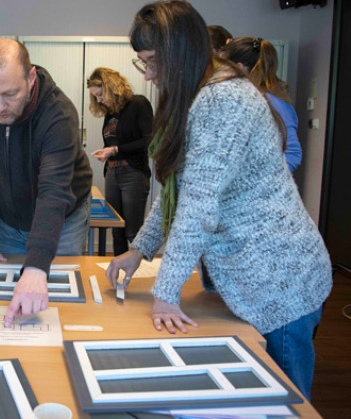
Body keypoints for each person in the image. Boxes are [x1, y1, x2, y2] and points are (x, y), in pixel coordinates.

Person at [106, 1, 331, 399]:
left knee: (284, 401)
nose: (151, 74)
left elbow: (197, 206)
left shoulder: (224, 99)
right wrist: (139, 249)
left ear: (183, 52)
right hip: (250, 277)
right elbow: (179, 189)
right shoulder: (197, 95)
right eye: (144, 63)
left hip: (279, 281)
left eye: (155, 61)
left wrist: (165, 292)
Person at [0, 38, 93, 327]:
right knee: (7, 305)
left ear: (30, 78)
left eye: (10, 94)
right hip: (7, 218)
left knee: (56, 308)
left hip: (62, 221)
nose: (0, 107)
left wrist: (37, 265)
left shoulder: (58, 113)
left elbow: (54, 193)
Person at [87, 68, 153, 256]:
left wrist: (115, 150)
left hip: (132, 173)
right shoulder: (111, 114)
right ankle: (118, 275)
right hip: (113, 174)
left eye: (100, 95)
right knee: (116, 229)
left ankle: (139, 274)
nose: (99, 100)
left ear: (111, 87)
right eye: (96, 97)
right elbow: (114, 143)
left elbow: (149, 140)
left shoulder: (138, 104)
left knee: (133, 231)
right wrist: (106, 153)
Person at [223, 37, 302, 172]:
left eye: (226, 67)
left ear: (239, 67)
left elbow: (293, 153)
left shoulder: (274, 103)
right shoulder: (240, 99)